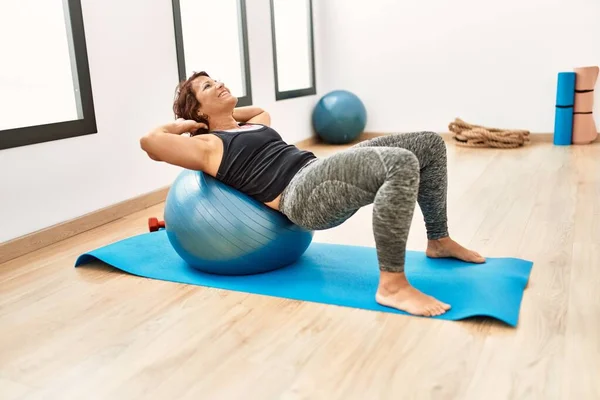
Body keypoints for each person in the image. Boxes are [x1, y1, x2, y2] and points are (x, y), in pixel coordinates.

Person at [140, 71, 486, 317]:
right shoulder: (208, 147)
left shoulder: (256, 124)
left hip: (320, 169)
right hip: (301, 196)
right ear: (197, 110)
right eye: (207, 86)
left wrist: (224, 113)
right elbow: (151, 143)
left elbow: (258, 111)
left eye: (217, 79)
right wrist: (187, 125)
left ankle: (438, 240)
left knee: (428, 143)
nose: (219, 84)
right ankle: (392, 285)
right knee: (399, 163)